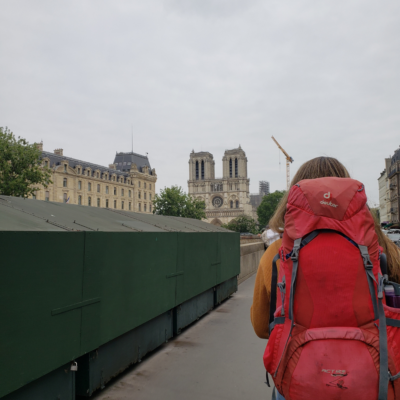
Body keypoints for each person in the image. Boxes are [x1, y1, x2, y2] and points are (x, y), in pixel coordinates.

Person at [250, 156, 400, 400]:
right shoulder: (383, 250)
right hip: (374, 379)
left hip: (300, 379)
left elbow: (260, 327)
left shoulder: (277, 254)